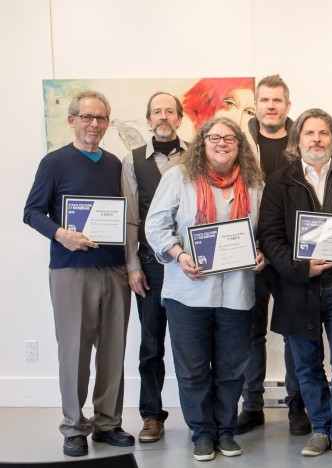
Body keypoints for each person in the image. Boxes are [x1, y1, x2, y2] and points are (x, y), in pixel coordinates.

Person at [256, 108, 332, 459]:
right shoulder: (279, 181)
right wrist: (299, 268)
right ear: (299, 139)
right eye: (310, 133)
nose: (317, 139)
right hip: (296, 287)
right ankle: (321, 428)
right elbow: (270, 235)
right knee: (306, 364)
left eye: (324, 133)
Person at [145, 116, 265, 461]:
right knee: (193, 367)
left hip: (237, 291)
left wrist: (261, 253)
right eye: (215, 137)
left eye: (230, 138)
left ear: (239, 145)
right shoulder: (178, 178)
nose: (222, 143)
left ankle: (225, 431)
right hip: (188, 290)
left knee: (231, 367)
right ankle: (201, 432)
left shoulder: (254, 183)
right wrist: (179, 255)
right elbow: (155, 227)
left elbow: (264, 232)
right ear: (202, 142)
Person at [24, 90, 134, 457]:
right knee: (74, 351)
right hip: (71, 271)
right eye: (87, 117)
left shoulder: (116, 164)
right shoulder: (54, 162)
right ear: (72, 119)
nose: (94, 124)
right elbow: (32, 212)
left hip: (114, 269)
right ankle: (74, 427)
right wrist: (60, 234)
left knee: (113, 350)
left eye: (101, 118)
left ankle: (107, 423)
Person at [237, 74, 310, 436]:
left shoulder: (303, 142)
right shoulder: (240, 142)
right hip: (250, 253)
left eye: (277, 100)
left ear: (287, 105)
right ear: (256, 104)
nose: (271, 106)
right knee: (251, 332)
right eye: (265, 100)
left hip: (292, 252)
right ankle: (252, 404)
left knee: (294, 330)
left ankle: (298, 405)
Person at [122, 91, 187, 443]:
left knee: (192, 343)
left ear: (180, 117)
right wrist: (132, 265)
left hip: (192, 265)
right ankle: (151, 415)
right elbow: (131, 219)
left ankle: (198, 413)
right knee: (151, 344)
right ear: (149, 119)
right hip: (151, 265)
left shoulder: (196, 155)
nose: (163, 117)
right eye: (156, 112)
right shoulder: (132, 162)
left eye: (169, 111)